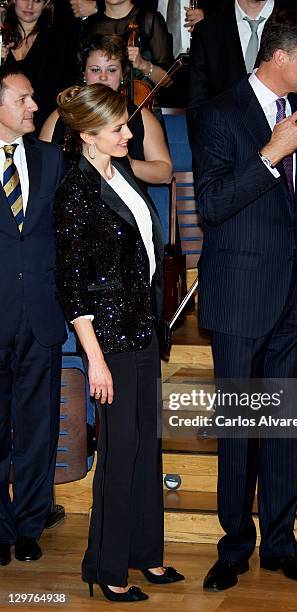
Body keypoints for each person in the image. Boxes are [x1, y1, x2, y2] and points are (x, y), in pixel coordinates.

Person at [191, 9, 297, 591]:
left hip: (293, 300)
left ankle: (280, 545)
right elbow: (210, 205)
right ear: (281, 57)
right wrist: (268, 156)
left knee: (286, 429)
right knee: (240, 431)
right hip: (240, 298)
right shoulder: (218, 113)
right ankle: (235, 546)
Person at [53, 83, 184, 601]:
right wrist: (96, 360)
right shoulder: (75, 191)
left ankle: (146, 555)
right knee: (120, 451)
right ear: (87, 135)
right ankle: (106, 569)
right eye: (118, 128)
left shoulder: (120, 171)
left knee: (146, 447)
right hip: (110, 339)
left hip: (144, 328)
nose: (130, 133)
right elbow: (71, 282)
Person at [0, 65, 66, 567]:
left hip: (42, 318)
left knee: (38, 429)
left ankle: (29, 524)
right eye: (23, 99)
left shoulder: (50, 160)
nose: (33, 106)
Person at [40, 34, 172, 186]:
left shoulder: (141, 115)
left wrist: (130, 163)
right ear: (83, 74)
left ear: (123, 75)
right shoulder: (61, 114)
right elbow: (42, 168)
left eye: (112, 70)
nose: (103, 77)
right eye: (95, 70)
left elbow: (165, 174)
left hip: (123, 205)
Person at [1, 0, 78, 132]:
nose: (30, 5)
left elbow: (67, 86)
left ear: (46, 3)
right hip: (7, 124)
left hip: (46, 124)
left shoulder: (59, 38)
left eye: (37, 0)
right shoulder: (2, 34)